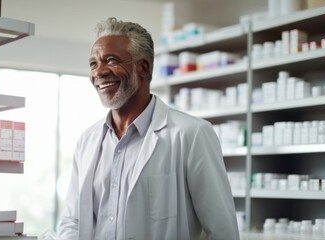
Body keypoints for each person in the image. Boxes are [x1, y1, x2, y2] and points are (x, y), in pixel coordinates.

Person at [57, 17, 239, 240]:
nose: (99, 72)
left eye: (111, 60)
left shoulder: (191, 134)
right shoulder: (87, 141)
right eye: (93, 64)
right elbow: (73, 221)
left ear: (143, 67)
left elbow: (223, 231)